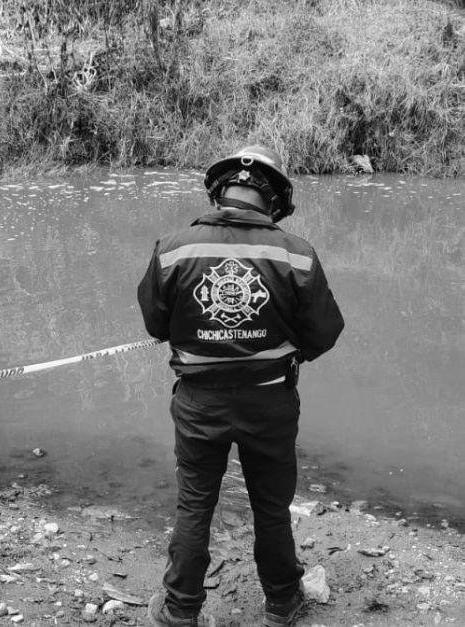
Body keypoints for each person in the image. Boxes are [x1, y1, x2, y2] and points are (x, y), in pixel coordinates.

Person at [137, 145, 344, 627]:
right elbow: (325, 332)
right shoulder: (296, 254)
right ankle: (281, 603)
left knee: (195, 504)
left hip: (198, 403)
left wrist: (205, 336)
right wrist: (284, 350)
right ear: (274, 199)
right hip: (270, 401)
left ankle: (180, 610)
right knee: (271, 508)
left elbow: (155, 323)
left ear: (219, 191)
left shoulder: (174, 248)